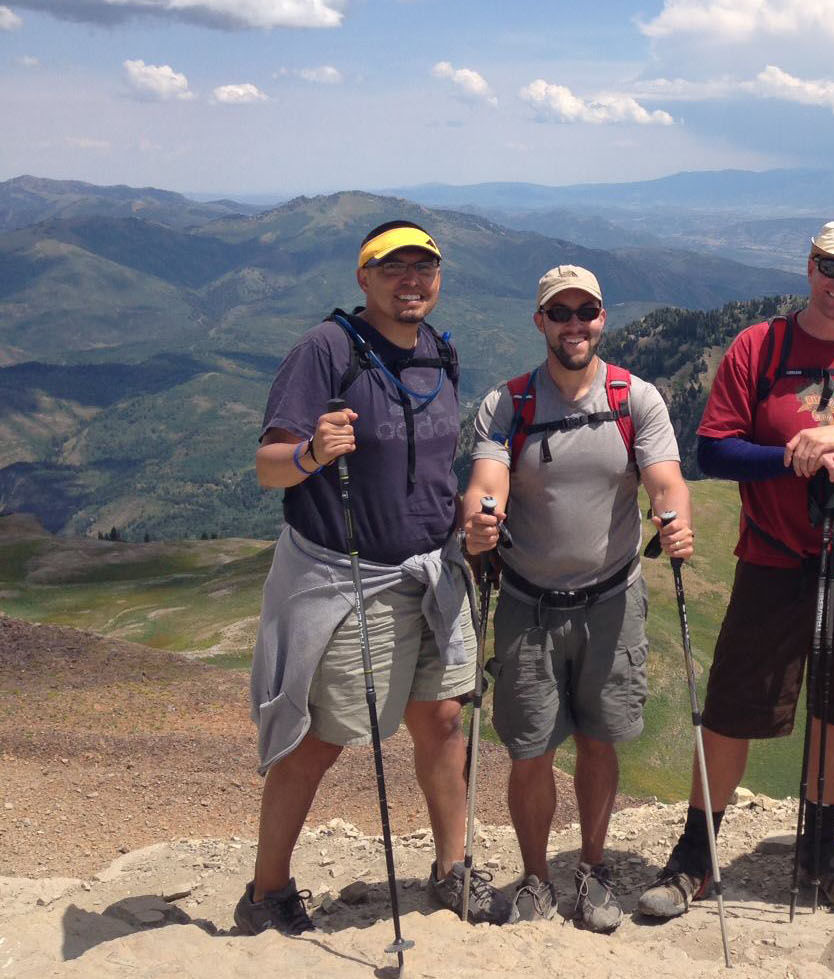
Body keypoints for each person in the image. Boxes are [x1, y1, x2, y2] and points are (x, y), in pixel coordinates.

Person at [638, 220, 834, 918]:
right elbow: (714, 450)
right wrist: (794, 455)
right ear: (808, 267)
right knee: (735, 707)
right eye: (830, 267)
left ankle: (818, 847)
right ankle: (695, 855)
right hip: (771, 556)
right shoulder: (757, 347)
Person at [239, 221, 513, 935]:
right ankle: (267, 891)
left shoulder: (439, 353)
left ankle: (452, 869)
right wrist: (309, 452)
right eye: (393, 269)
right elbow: (269, 465)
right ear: (364, 279)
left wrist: (470, 521)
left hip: (433, 570)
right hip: (351, 576)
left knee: (445, 720)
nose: (410, 281)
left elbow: (426, 473)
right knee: (320, 737)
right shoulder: (326, 349)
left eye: (423, 268)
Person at [461, 264, 692, 933]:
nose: (573, 324)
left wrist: (672, 515)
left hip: (610, 599)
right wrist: (483, 515)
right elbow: (488, 478)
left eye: (584, 311)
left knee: (599, 739)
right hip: (528, 602)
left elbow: (665, 477)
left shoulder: (635, 398)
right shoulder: (507, 405)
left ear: (601, 318)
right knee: (529, 748)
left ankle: (591, 867)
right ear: (540, 322)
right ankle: (536, 877)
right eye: (558, 313)